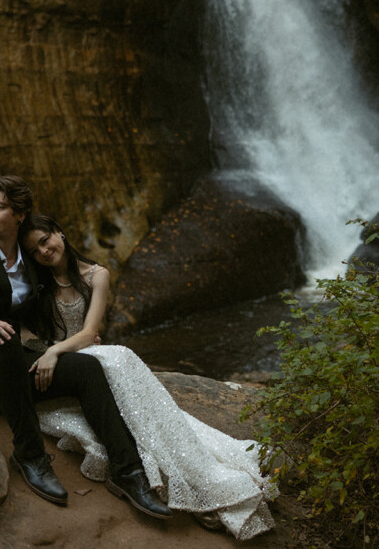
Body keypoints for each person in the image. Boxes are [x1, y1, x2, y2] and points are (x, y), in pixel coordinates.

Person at [0, 176, 170, 518]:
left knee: (87, 368)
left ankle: (127, 473)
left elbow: (64, 286)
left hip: (8, 368)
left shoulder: (31, 262)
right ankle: (30, 455)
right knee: (5, 334)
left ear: (20, 214)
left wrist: (68, 342)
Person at [20, 214, 278, 540]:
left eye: (45, 240)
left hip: (80, 352)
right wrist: (47, 351)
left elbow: (89, 333)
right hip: (67, 366)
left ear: (59, 232)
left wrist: (55, 351)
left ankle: (196, 475)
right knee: (114, 360)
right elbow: (25, 333)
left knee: (119, 359)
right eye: (33, 251)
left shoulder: (97, 275)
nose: (43, 251)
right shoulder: (37, 286)